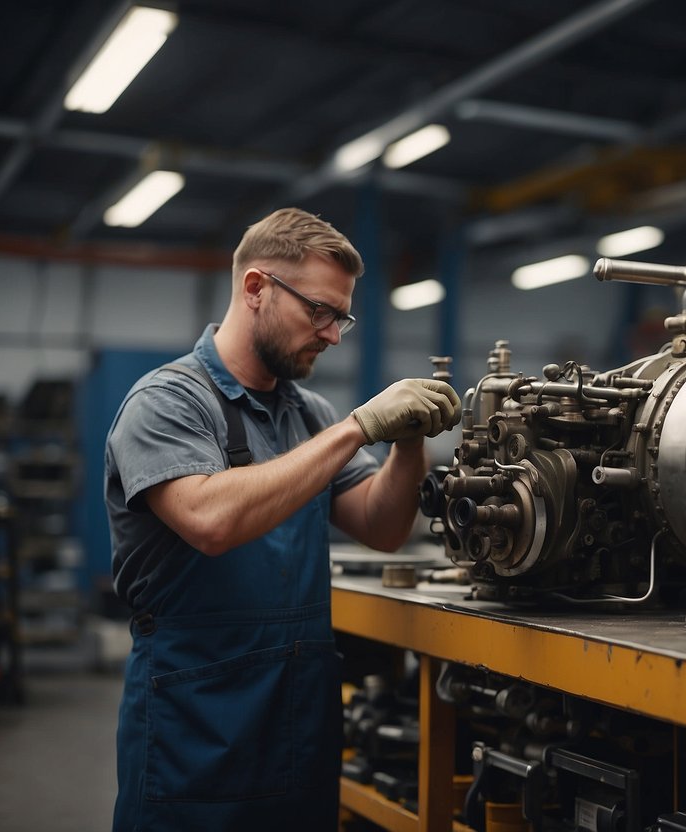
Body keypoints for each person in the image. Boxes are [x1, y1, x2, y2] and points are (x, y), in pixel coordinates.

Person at [104, 207, 460, 831]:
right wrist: (357, 427)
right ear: (256, 288)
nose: (332, 335)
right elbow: (210, 520)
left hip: (298, 726)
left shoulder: (309, 412)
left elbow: (382, 527)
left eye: (341, 317)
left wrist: (408, 442)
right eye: (319, 311)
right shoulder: (167, 402)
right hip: (197, 727)